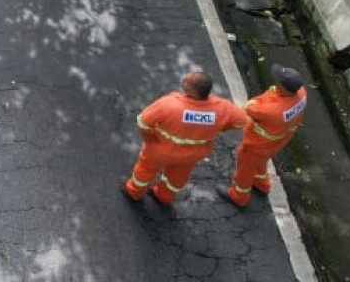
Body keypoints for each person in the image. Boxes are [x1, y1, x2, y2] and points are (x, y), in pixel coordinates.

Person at [124, 69, 247, 204]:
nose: (183, 81)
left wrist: (148, 137)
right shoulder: (223, 108)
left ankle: (133, 192)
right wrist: (219, 127)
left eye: (186, 82)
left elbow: (143, 122)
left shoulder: (169, 104)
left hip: (160, 149)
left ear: (193, 91)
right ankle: (164, 196)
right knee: (177, 176)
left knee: (145, 170)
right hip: (192, 154)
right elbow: (242, 120)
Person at [225, 65, 308, 206]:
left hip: (257, 144)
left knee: (245, 167)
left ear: (283, 88)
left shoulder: (269, 110)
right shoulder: (301, 93)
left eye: (278, 82)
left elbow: (249, 106)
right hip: (279, 140)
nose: (275, 82)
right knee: (261, 161)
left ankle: (239, 195)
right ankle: (262, 183)